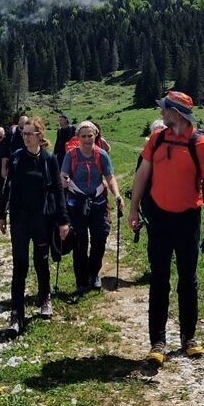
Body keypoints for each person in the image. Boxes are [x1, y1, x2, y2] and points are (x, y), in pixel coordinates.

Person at [127, 91, 204, 364]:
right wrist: (134, 209)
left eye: (164, 110)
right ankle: (157, 342)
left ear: (176, 113)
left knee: (187, 280)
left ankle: (188, 338)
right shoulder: (157, 138)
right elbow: (142, 174)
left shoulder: (201, 144)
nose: (160, 114)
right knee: (159, 279)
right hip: (159, 218)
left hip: (188, 220)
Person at [0, 116, 69, 336]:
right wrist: (2, 214)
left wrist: (63, 220)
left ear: (40, 136)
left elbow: (57, 189)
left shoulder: (49, 159)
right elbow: (7, 187)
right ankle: (16, 313)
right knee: (19, 266)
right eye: (23, 133)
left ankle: (44, 297)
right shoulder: (17, 158)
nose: (25, 138)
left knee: (41, 261)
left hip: (42, 219)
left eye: (30, 134)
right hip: (20, 220)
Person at [61, 120, 124, 293]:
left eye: (90, 136)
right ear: (78, 137)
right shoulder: (71, 155)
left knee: (100, 239)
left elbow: (110, 177)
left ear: (95, 135)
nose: (87, 139)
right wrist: (64, 182)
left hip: (98, 202)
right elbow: (63, 175)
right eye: (84, 136)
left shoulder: (102, 154)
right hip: (77, 203)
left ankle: (94, 273)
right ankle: (81, 280)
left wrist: (117, 195)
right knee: (80, 242)